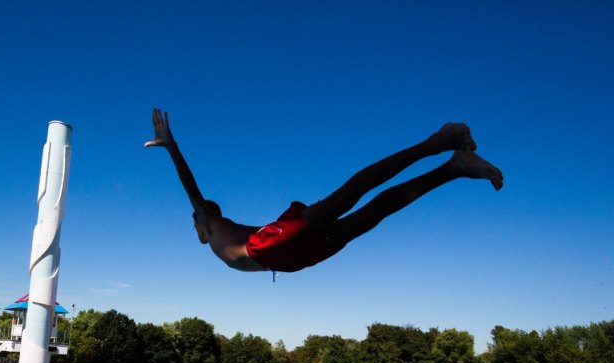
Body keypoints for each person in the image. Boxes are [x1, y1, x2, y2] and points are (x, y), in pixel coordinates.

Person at [144, 108, 503, 274]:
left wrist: (171, 146)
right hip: (287, 258)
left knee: (350, 195)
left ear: (201, 217)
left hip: (271, 246)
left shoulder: (209, 219)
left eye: (194, 220)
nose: (194, 228)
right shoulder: (225, 231)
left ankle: (436, 143)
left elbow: (190, 187)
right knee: (371, 213)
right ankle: (454, 168)